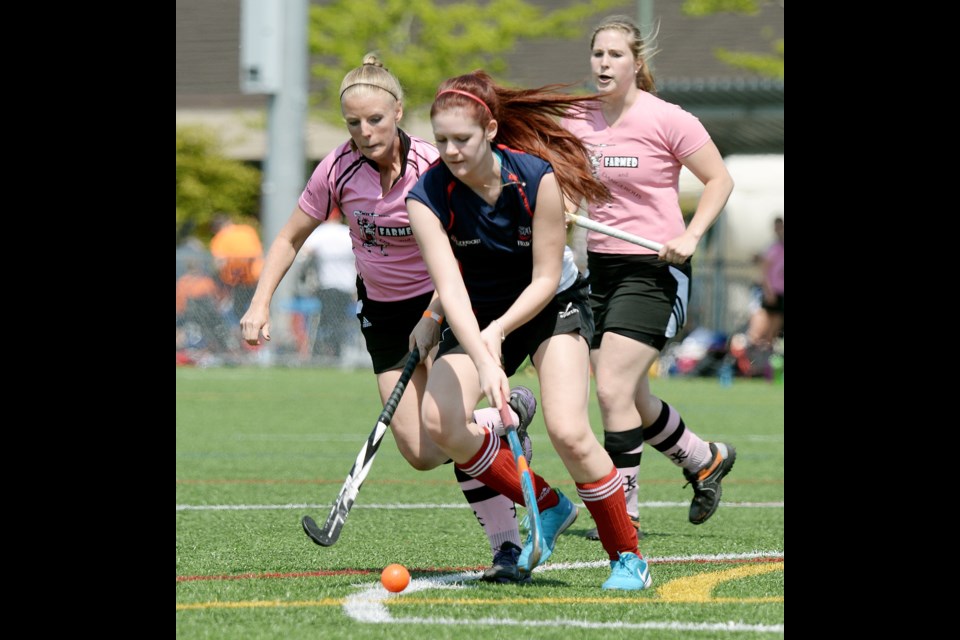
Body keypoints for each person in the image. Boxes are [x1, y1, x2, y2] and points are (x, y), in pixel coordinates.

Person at [239, 55, 537, 583]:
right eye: (354, 123)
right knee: (421, 452)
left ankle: (506, 546)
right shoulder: (336, 170)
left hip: (446, 303)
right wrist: (261, 301)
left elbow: (465, 256)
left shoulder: (433, 166)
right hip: (382, 313)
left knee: (446, 428)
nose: (365, 131)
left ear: (398, 112)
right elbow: (289, 237)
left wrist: (432, 314)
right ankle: (501, 419)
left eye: (375, 120)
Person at [407, 70, 652, 590]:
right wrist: (483, 354)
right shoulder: (426, 195)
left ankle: (627, 557)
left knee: (568, 430)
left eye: (462, 139)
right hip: (477, 311)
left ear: (491, 130)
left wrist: (497, 336)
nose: (449, 151)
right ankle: (547, 505)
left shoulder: (535, 178)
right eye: (441, 139)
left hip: (549, 305)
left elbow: (544, 279)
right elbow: (451, 292)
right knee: (441, 421)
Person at [559, 15, 737, 540]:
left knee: (613, 387)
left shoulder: (667, 118)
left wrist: (693, 234)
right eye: (598, 55)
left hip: (657, 269)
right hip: (602, 269)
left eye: (615, 55)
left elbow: (719, 180)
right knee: (628, 395)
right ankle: (704, 459)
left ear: (636, 63)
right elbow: (567, 183)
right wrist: (566, 204)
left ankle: (624, 513)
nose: (604, 64)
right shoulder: (577, 118)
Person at [209, 214, 265, 323]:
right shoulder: (247, 231)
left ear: (217, 229)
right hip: (258, 276)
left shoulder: (219, 238)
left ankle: (243, 334)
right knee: (259, 305)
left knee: (239, 309)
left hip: (239, 280)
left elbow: (218, 263)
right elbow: (258, 252)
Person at [747, 216, 784, 350]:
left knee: (772, 334)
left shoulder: (780, 248)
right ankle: (748, 360)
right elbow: (764, 273)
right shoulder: (773, 249)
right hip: (771, 293)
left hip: (780, 294)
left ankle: (763, 363)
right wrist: (769, 292)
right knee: (758, 331)